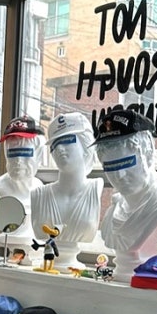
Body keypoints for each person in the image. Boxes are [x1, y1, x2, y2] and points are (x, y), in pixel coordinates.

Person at [96, 109, 157, 283]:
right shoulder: (115, 208)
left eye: (126, 163)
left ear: (148, 154)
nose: (119, 175)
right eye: (110, 167)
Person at [31, 112, 103, 271]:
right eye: (54, 144)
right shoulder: (39, 195)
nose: (59, 149)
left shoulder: (95, 189)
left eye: (67, 141)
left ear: (85, 144)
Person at [0, 116, 45, 254]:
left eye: (24, 153)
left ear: (38, 155)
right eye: (12, 153)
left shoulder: (40, 190)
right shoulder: (0, 185)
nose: (18, 161)